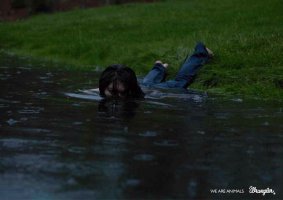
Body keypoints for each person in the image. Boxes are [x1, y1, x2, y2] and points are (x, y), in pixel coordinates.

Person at [99, 42, 213, 99]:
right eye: (111, 91)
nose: (116, 97)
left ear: (129, 90)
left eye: (121, 93)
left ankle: (201, 52)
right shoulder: (104, 89)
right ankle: (159, 67)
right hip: (144, 85)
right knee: (147, 82)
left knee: (180, 81)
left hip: (156, 89)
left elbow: (166, 94)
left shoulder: (148, 93)